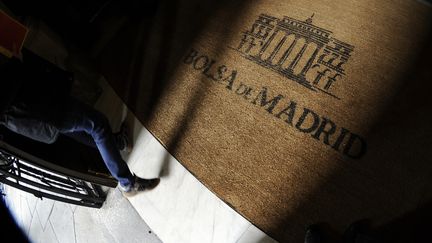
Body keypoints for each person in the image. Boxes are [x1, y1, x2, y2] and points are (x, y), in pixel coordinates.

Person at [0, 51, 159, 194]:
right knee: (98, 125)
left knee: (83, 131)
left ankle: (119, 143)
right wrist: (14, 60)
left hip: (39, 107)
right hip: (41, 110)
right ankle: (127, 183)